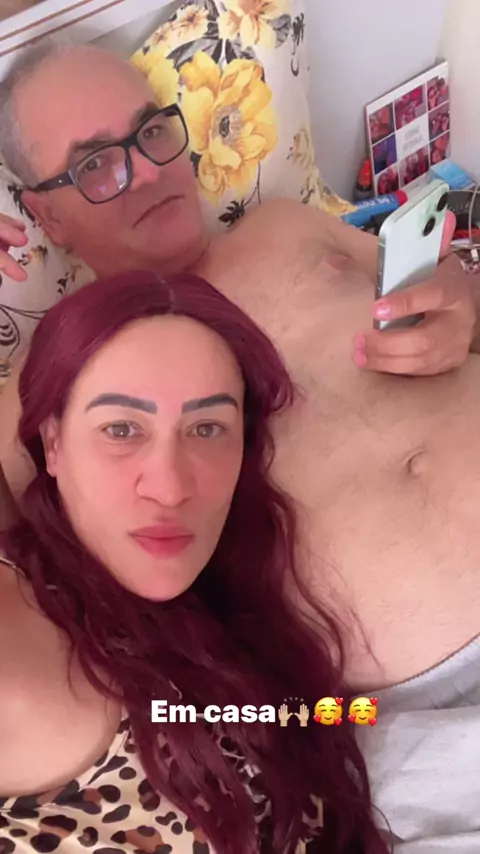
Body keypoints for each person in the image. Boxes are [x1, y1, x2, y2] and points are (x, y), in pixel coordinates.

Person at [0, 41, 480, 850]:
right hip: (421, 716)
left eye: (152, 132)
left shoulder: (286, 226)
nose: (146, 172)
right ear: (46, 217)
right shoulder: (53, 378)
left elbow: (446, 294)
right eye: (95, 165)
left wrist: (461, 303)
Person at [0, 270, 386, 854]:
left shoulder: (231, 604)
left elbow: (285, 717)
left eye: (207, 428)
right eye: (121, 429)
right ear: (53, 444)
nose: (171, 487)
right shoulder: (25, 630)